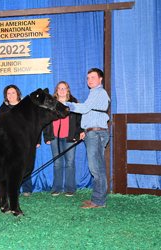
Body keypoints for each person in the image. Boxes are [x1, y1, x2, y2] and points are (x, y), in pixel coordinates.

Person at [64, 68, 110, 209]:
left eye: (93, 77)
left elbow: (84, 109)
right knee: (96, 168)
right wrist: (85, 130)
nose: (90, 80)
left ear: (100, 79)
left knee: (96, 169)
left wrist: (64, 105)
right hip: (93, 133)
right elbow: (91, 113)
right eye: (88, 78)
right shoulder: (94, 93)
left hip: (96, 134)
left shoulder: (99, 92)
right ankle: (97, 199)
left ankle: (99, 202)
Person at [41, 81, 85, 197]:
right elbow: (45, 121)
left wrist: (80, 132)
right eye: (59, 88)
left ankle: (70, 188)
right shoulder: (51, 103)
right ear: (56, 90)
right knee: (57, 163)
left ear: (68, 90)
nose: (61, 90)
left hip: (70, 137)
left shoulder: (74, 103)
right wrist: (47, 136)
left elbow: (79, 119)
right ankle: (57, 188)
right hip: (54, 137)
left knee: (70, 162)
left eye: (64, 88)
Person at [0, 85, 32, 197]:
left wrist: (36, 140)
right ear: (5, 96)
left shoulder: (26, 107)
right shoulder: (2, 109)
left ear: (18, 93)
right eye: (8, 93)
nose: (11, 95)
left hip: (24, 141)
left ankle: (26, 189)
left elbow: (33, 124)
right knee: (8, 166)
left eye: (13, 93)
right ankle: (9, 189)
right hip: (8, 142)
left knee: (25, 164)